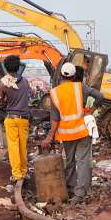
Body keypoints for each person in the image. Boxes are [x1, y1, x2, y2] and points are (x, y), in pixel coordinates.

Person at [40, 62, 104, 202]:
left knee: (69, 161)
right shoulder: (80, 87)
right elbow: (100, 96)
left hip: (67, 134)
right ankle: (80, 194)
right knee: (83, 162)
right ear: (74, 75)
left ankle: (70, 188)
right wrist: (91, 111)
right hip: (82, 131)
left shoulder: (55, 93)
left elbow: (55, 119)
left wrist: (49, 137)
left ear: (61, 75)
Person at [0, 55, 33, 182]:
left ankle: (17, 174)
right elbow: (27, 96)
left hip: (11, 119)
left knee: (13, 147)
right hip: (23, 119)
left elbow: (1, 101)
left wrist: (5, 101)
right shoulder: (25, 82)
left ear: (6, 67)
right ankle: (24, 171)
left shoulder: (3, 83)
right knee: (22, 146)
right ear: (18, 67)